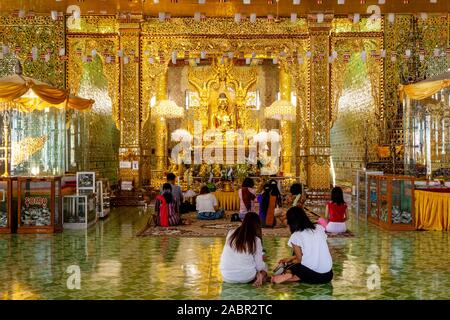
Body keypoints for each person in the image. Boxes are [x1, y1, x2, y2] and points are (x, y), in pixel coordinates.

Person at [271, 207, 333, 284]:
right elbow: (313, 251)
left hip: (313, 275)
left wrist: (290, 262)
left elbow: (299, 260)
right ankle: (293, 276)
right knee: (296, 263)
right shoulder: (319, 228)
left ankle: (288, 277)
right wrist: (290, 258)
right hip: (328, 275)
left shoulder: (296, 236)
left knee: (291, 266)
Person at [220, 212, 268, 287]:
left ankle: (258, 276)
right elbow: (259, 266)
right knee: (265, 266)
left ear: (243, 221)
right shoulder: (256, 240)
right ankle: (260, 277)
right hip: (247, 277)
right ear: (257, 225)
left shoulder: (231, 233)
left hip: (227, 276)